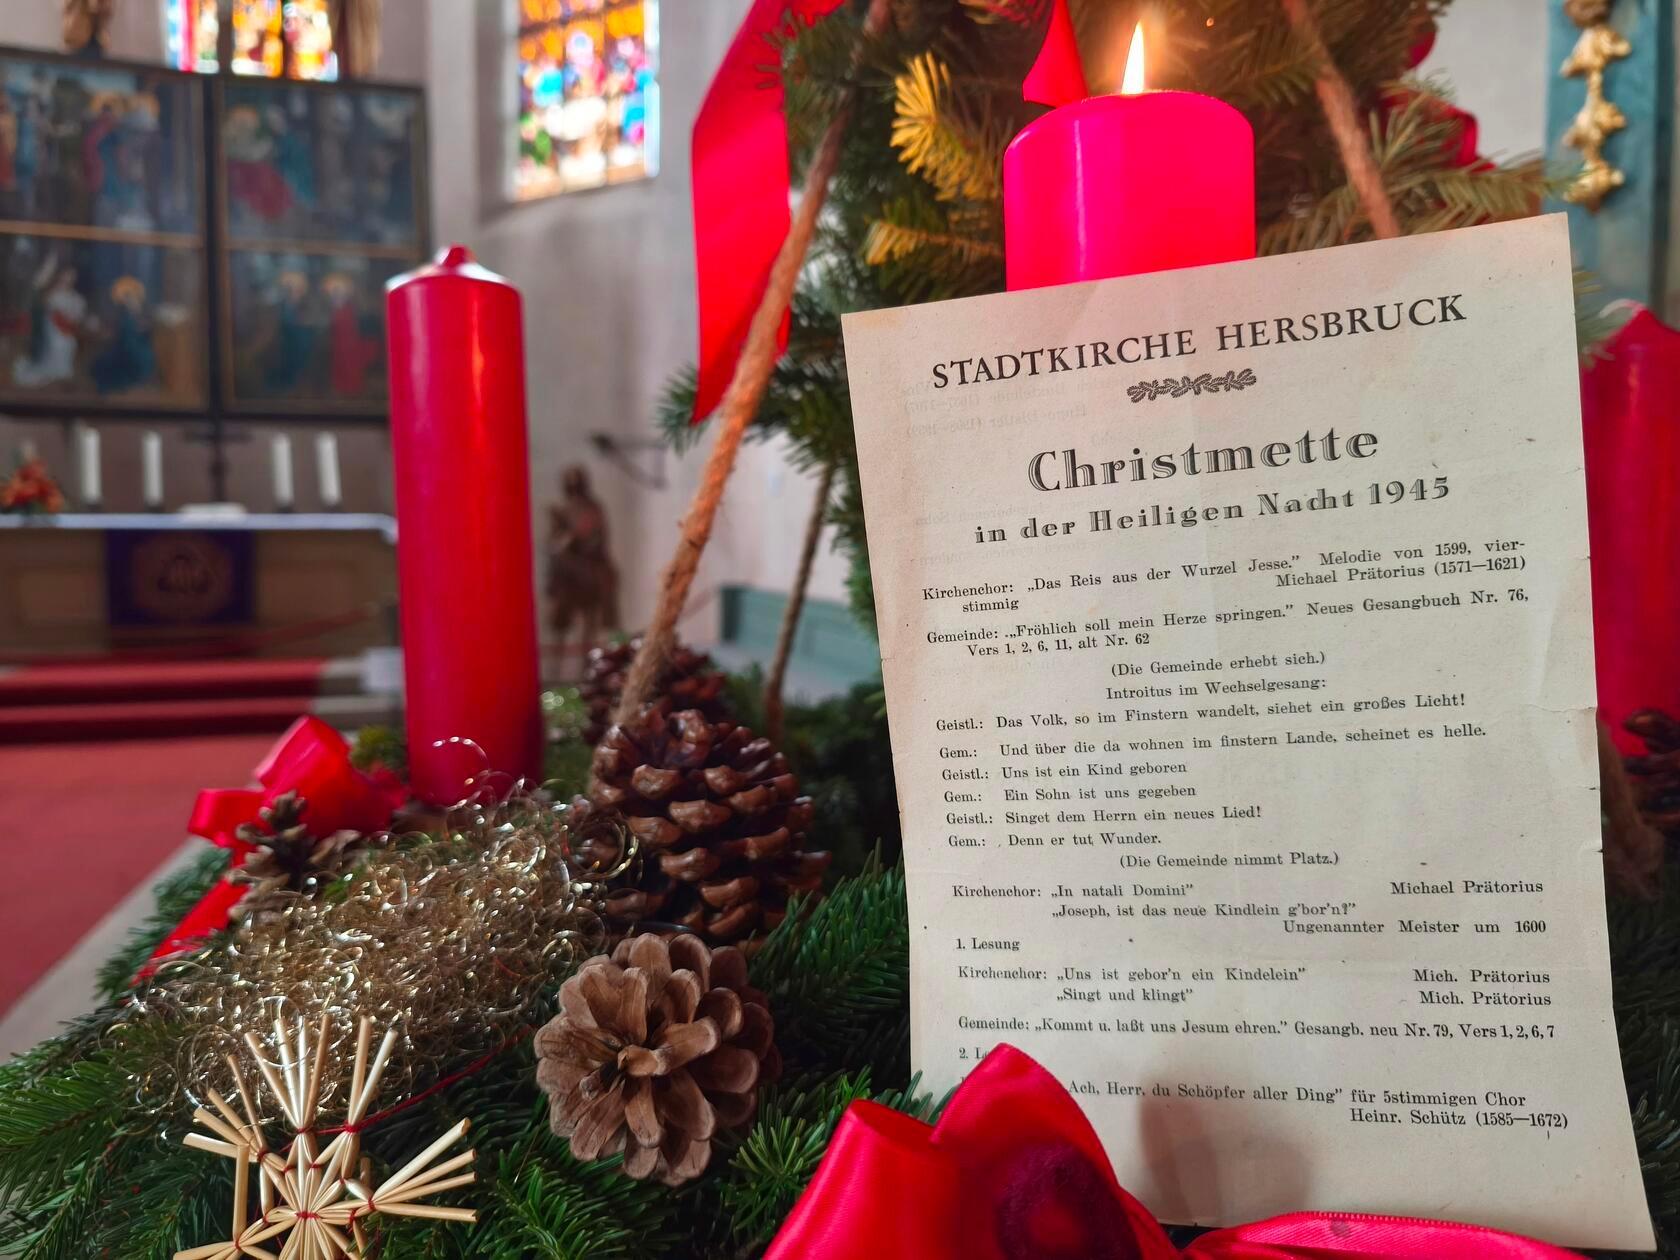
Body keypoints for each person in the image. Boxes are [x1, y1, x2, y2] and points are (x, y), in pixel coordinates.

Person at [547, 465, 620, 674]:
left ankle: (586, 671)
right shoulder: (562, 509)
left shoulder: (593, 509)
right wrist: (564, 542)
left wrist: (581, 542)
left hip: (589, 565)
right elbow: (554, 542)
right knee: (560, 620)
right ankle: (555, 671)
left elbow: (598, 539)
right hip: (568, 570)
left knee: (591, 622)